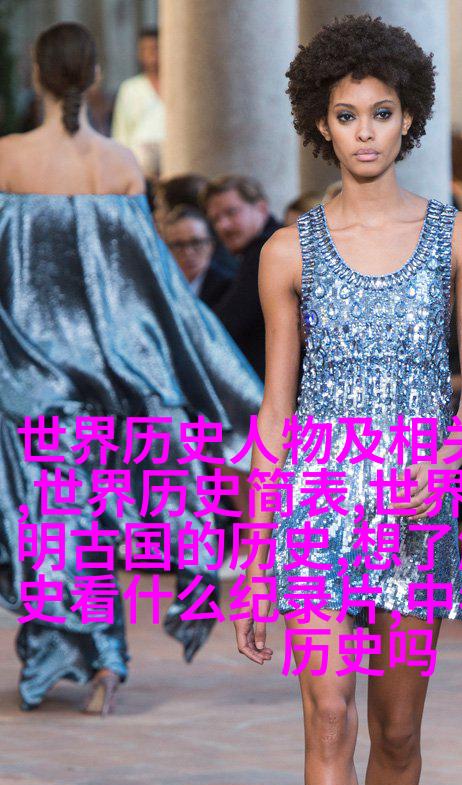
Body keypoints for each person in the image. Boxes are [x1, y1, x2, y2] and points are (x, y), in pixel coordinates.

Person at [233, 13, 462, 785]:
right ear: (320, 125)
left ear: (410, 117)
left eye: (382, 112)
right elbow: (274, 414)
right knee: (329, 715)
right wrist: (252, 560)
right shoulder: (285, 253)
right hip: (315, 507)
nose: (366, 131)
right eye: (347, 116)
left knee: (397, 732)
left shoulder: (461, 238)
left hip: (418, 512)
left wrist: (445, 464)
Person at [0, 22, 263, 715]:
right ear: (95, 79)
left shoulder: (7, 159)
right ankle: (105, 663)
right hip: (113, 380)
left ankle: (69, 654)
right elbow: (153, 293)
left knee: (48, 521)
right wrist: (202, 374)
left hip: (30, 379)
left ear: (35, 74)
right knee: (90, 520)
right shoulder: (119, 166)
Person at [204, 175, 282, 381]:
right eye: (215, 219)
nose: (223, 226)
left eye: (231, 212)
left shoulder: (265, 251)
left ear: (261, 209)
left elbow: (229, 323)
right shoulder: (265, 247)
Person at [111, 25, 164, 177]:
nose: (152, 55)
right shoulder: (130, 88)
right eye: (146, 50)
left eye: (156, 48)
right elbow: (121, 133)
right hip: (140, 167)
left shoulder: (178, 87)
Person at [164, 204, 233, 308]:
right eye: (178, 245)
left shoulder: (228, 287)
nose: (188, 252)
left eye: (196, 243)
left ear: (211, 245)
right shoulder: (162, 284)